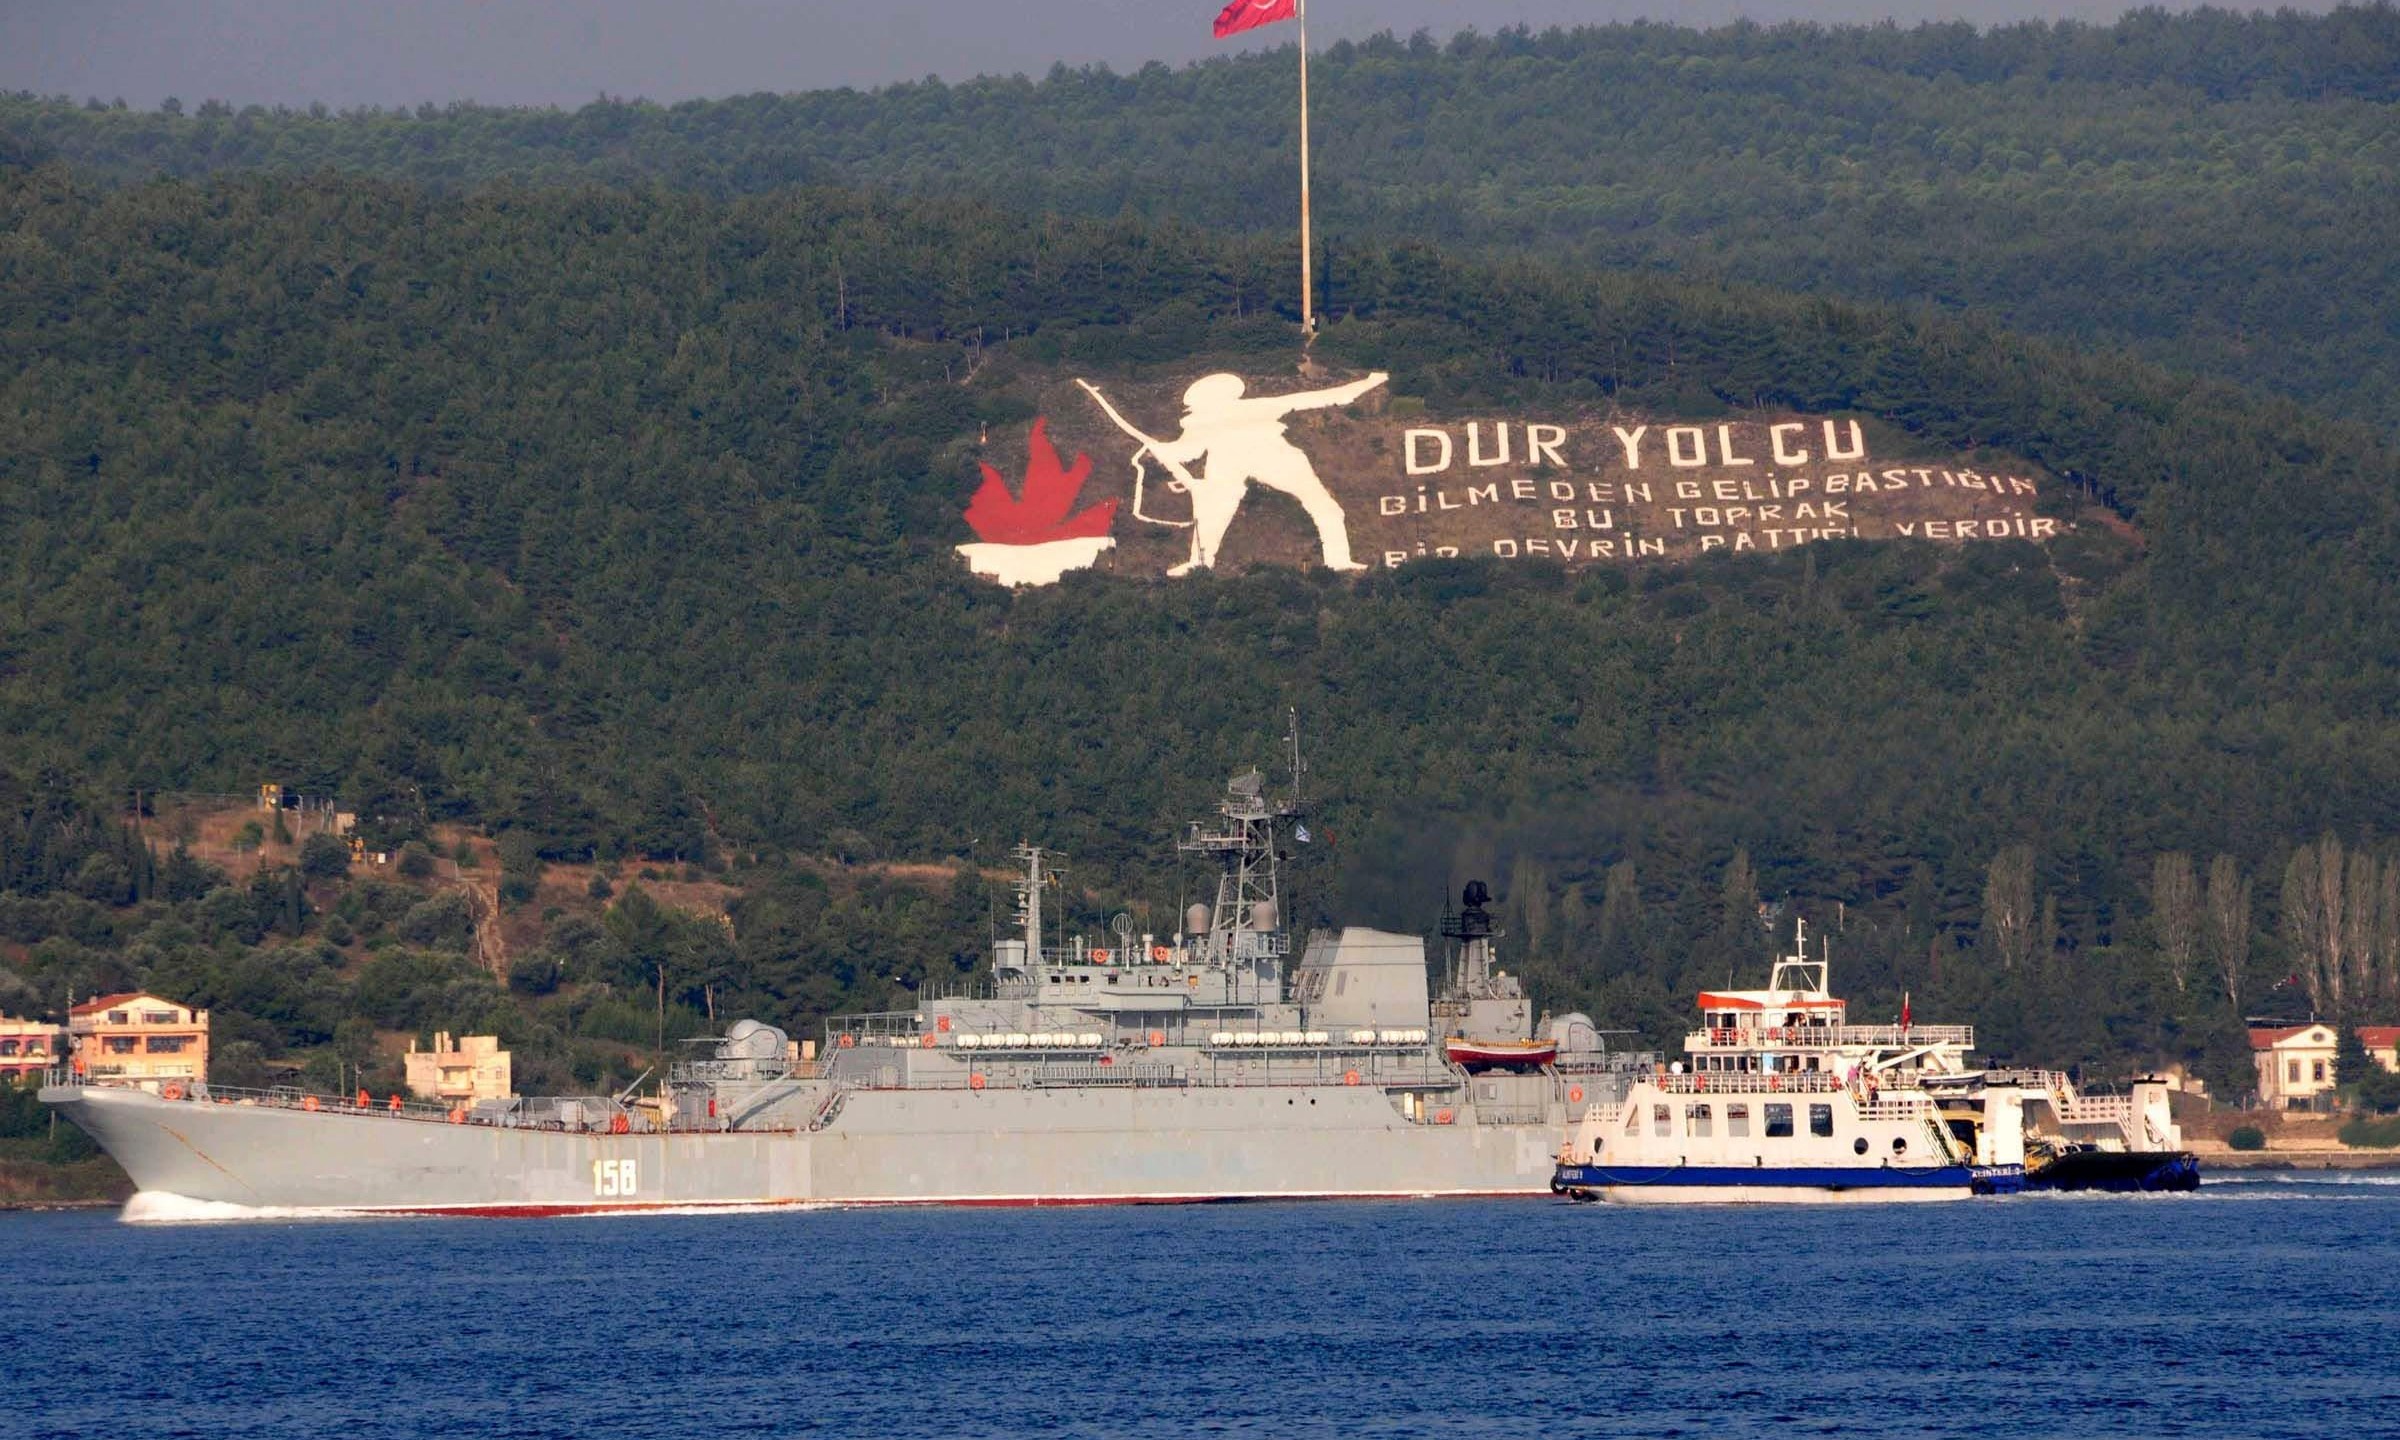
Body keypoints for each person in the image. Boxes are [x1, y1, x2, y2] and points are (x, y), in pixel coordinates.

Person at [1139, 371, 1387, 574]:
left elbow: (1325, 397)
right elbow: (1187, 452)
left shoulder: (1254, 408)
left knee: (1324, 506)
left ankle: (1338, 559)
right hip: (1227, 461)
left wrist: (1370, 382)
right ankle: (1199, 564)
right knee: (1212, 515)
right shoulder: (1199, 422)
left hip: (1272, 455)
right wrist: (1162, 450)